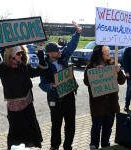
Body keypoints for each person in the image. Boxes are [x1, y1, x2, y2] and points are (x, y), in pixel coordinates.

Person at [39, 21, 82, 150]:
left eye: (59, 49)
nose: (59, 51)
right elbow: (42, 85)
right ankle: (54, 146)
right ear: (49, 53)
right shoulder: (44, 66)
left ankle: (68, 145)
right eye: (56, 50)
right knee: (56, 124)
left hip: (69, 96)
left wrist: (78, 33)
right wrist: (50, 86)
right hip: (55, 99)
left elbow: (71, 46)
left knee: (70, 123)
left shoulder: (63, 57)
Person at [0, 45, 48, 150]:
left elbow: (40, 71)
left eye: (22, 53)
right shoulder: (4, 69)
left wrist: (40, 52)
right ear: (11, 55)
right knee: (15, 134)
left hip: (27, 105)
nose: (21, 55)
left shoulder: (24, 66)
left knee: (28, 133)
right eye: (18, 53)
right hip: (14, 109)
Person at [83, 45, 126, 150]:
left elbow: (122, 81)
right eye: (106, 51)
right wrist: (96, 73)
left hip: (111, 104)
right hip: (98, 104)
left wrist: (118, 71)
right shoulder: (91, 66)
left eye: (109, 50)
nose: (109, 52)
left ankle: (105, 144)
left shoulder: (113, 64)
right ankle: (94, 145)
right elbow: (86, 82)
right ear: (99, 53)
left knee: (108, 127)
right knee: (96, 126)